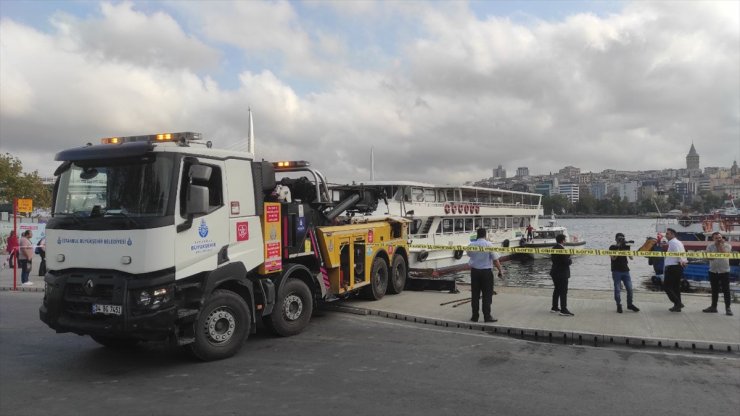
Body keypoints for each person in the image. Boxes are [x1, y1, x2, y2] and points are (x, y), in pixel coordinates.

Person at [467, 228, 503, 323]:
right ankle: (487, 317)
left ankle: (474, 317)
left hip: (474, 272)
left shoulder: (471, 245)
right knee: (487, 295)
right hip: (486, 272)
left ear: (477, 235)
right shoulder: (489, 245)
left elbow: (469, 255)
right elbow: (495, 260)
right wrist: (500, 270)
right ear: (485, 235)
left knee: (475, 295)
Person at [703, 232, 733, 316]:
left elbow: (724, 255)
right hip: (713, 271)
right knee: (714, 290)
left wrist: (719, 246)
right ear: (713, 239)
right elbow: (708, 257)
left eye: (720, 237)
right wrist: (715, 253)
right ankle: (713, 307)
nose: (719, 239)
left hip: (724, 271)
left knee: (726, 290)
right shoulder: (710, 246)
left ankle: (728, 308)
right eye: (716, 238)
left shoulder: (727, 245)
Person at [609, 233, 640, 313]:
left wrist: (627, 250)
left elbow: (631, 258)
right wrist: (618, 248)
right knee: (617, 289)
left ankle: (630, 304)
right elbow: (613, 258)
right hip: (616, 271)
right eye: (620, 239)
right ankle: (618, 305)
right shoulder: (612, 247)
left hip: (626, 271)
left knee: (630, 289)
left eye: (622, 239)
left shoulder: (626, 246)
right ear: (616, 239)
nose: (621, 240)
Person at [663, 228, 687, 312]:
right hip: (678, 267)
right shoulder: (678, 242)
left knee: (667, 287)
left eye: (668, 234)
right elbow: (682, 252)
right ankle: (677, 306)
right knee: (676, 287)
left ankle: (678, 303)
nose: (666, 235)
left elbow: (678, 253)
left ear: (673, 234)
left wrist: (682, 261)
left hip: (673, 267)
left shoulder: (673, 242)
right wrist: (684, 261)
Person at [550, 234, 573, 316]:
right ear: (563, 240)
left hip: (554, 272)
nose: (566, 241)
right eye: (565, 239)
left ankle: (554, 307)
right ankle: (564, 309)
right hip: (562, 273)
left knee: (557, 290)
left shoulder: (554, 248)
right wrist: (570, 258)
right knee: (563, 291)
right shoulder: (562, 249)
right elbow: (566, 262)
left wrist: (567, 256)